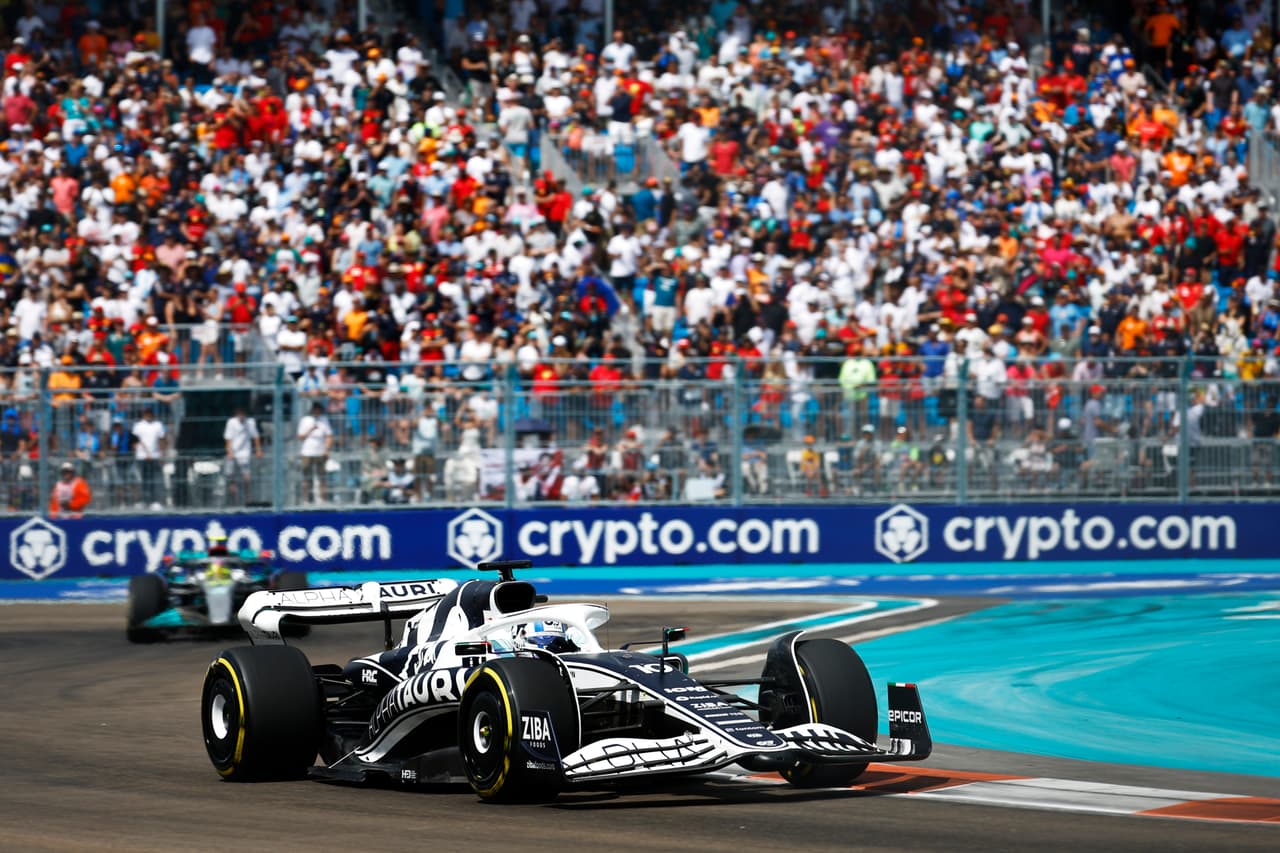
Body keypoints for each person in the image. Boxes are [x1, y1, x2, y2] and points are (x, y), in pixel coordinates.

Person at [223, 407, 262, 507]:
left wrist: (258, 450)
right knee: (231, 478)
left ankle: (247, 500)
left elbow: (255, 436)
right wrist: (229, 452)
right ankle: (233, 502)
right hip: (232, 454)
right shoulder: (231, 422)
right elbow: (228, 438)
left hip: (244, 453)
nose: (241, 416)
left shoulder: (250, 422)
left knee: (246, 478)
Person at [297, 401, 333, 504]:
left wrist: (327, 449)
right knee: (307, 477)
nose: (318, 412)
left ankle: (322, 499)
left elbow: (329, 436)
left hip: (320, 453)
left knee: (322, 477)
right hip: (307, 453)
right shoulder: (305, 420)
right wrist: (311, 429)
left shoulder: (324, 420)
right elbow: (300, 436)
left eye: (320, 410)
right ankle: (306, 499)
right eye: (316, 410)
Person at [132, 407, 167, 509]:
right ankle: (143, 501)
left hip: (155, 457)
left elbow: (162, 440)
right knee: (143, 480)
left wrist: (162, 454)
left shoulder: (158, 425)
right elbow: (134, 441)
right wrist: (141, 453)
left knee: (155, 480)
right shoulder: (138, 426)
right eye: (146, 413)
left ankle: (155, 501)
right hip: (142, 457)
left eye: (150, 413)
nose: (148, 415)